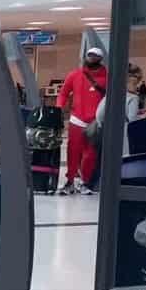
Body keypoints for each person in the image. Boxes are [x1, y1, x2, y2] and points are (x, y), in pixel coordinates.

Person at [57, 47, 108, 195]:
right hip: (76, 120)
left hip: (96, 121)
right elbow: (63, 93)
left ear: (100, 59)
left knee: (90, 153)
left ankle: (84, 182)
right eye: (90, 55)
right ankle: (70, 181)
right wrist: (59, 108)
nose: (91, 58)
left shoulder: (107, 77)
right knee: (73, 151)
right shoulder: (75, 75)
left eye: (95, 56)